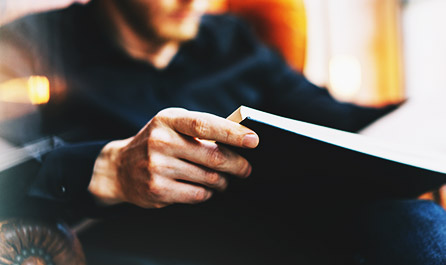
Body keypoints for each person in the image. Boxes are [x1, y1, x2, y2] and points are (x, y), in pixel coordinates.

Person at [1, 0, 446, 264]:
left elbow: (336, 121)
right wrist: (108, 168)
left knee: (414, 223)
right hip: (142, 247)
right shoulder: (28, 49)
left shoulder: (233, 41)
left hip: (284, 234)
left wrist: (425, 117)